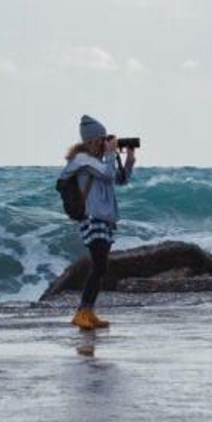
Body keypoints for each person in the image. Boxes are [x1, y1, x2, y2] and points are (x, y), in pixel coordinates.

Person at [59, 114, 136, 330]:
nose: (106, 143)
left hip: (104, 219)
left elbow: (120, 179)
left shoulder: (98, 162)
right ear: (94, 140)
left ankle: (88, 311)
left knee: (101, 267)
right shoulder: (82, 161)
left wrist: (128, 158)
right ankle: (82, 312)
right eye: (103, 139)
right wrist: (111, 153)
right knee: (100, 265)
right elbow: (108, 174)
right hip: (92, 218)